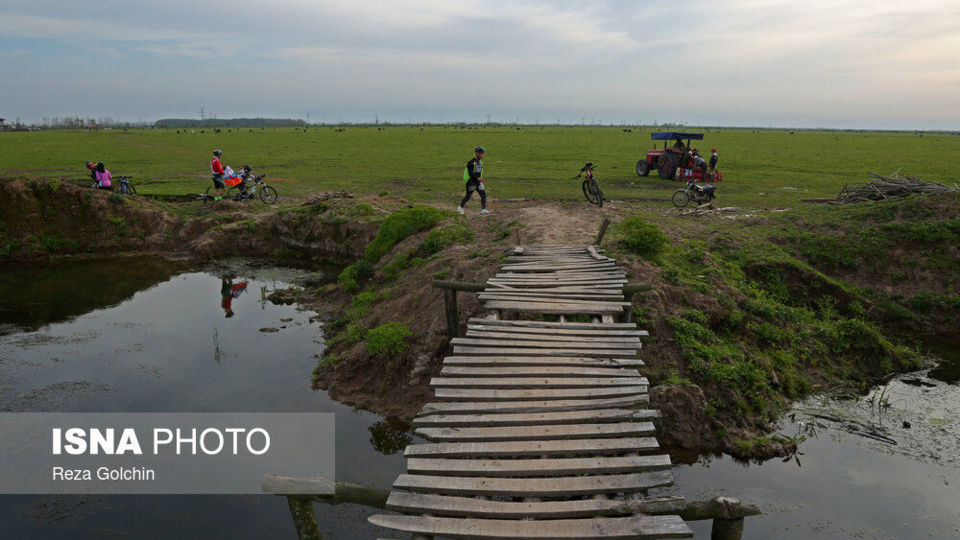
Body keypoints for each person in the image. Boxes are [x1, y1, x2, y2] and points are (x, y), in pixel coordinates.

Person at [457, 146, 490, 215]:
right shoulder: (471, 162)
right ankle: (460, 207)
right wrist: (477, 178)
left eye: (482, 154)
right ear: (477, 153)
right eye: (481, 154)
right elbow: (470, 173)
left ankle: (483, 209)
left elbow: (479, 172)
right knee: (468, 195)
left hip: (477, 181)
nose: (482, 155)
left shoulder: (480, 163)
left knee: (483, 194)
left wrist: (479, 179)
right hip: (471, 182)